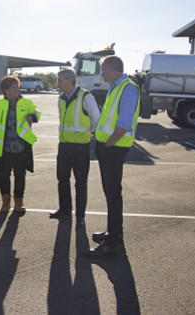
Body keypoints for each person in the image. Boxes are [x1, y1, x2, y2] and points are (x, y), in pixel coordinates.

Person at [85, 56, 140, 257]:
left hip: (113, 149)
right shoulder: (116, 87)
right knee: (111, 194)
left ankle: (112, 242)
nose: (101, 74)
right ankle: (114, 233)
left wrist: (107, 145)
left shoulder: (127, 88)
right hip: (107, 147)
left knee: (113, 195)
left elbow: (124, 124)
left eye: (103, 70)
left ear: (111, 68)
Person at [50, 68, 100, 228]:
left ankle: (80, 216)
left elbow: (96, 119)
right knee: (62, 180)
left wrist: (89, 132)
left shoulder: (86, 97)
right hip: (64, 146)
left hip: (80, 148)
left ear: (68, 80)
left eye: (60, 80)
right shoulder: (61, 98)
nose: (58, 83)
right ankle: (64, 210)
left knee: (80, 183)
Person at [0, 75, 40, 214]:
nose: (16, 89)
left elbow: (37, 113)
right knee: (3, 175)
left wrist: (32, 117)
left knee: (20, 175)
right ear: (6, 90)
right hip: (3, 148)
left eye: (17, 86)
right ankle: (5, 202)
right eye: (13, 87)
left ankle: (19, 202)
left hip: (21, 147)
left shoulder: (26, 102)